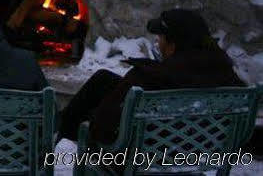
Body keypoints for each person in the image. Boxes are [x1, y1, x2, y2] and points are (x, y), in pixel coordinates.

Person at [58, 9, 246, 144]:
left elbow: (101, 129)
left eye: (161, 37)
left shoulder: (148, 78)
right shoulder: (228, 78)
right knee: (104, 79)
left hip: (142, 156)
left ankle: (56, 132)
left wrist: (93, 119)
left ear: (173, 44)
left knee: (92, 110)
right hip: (196, 148)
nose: (157, 42)